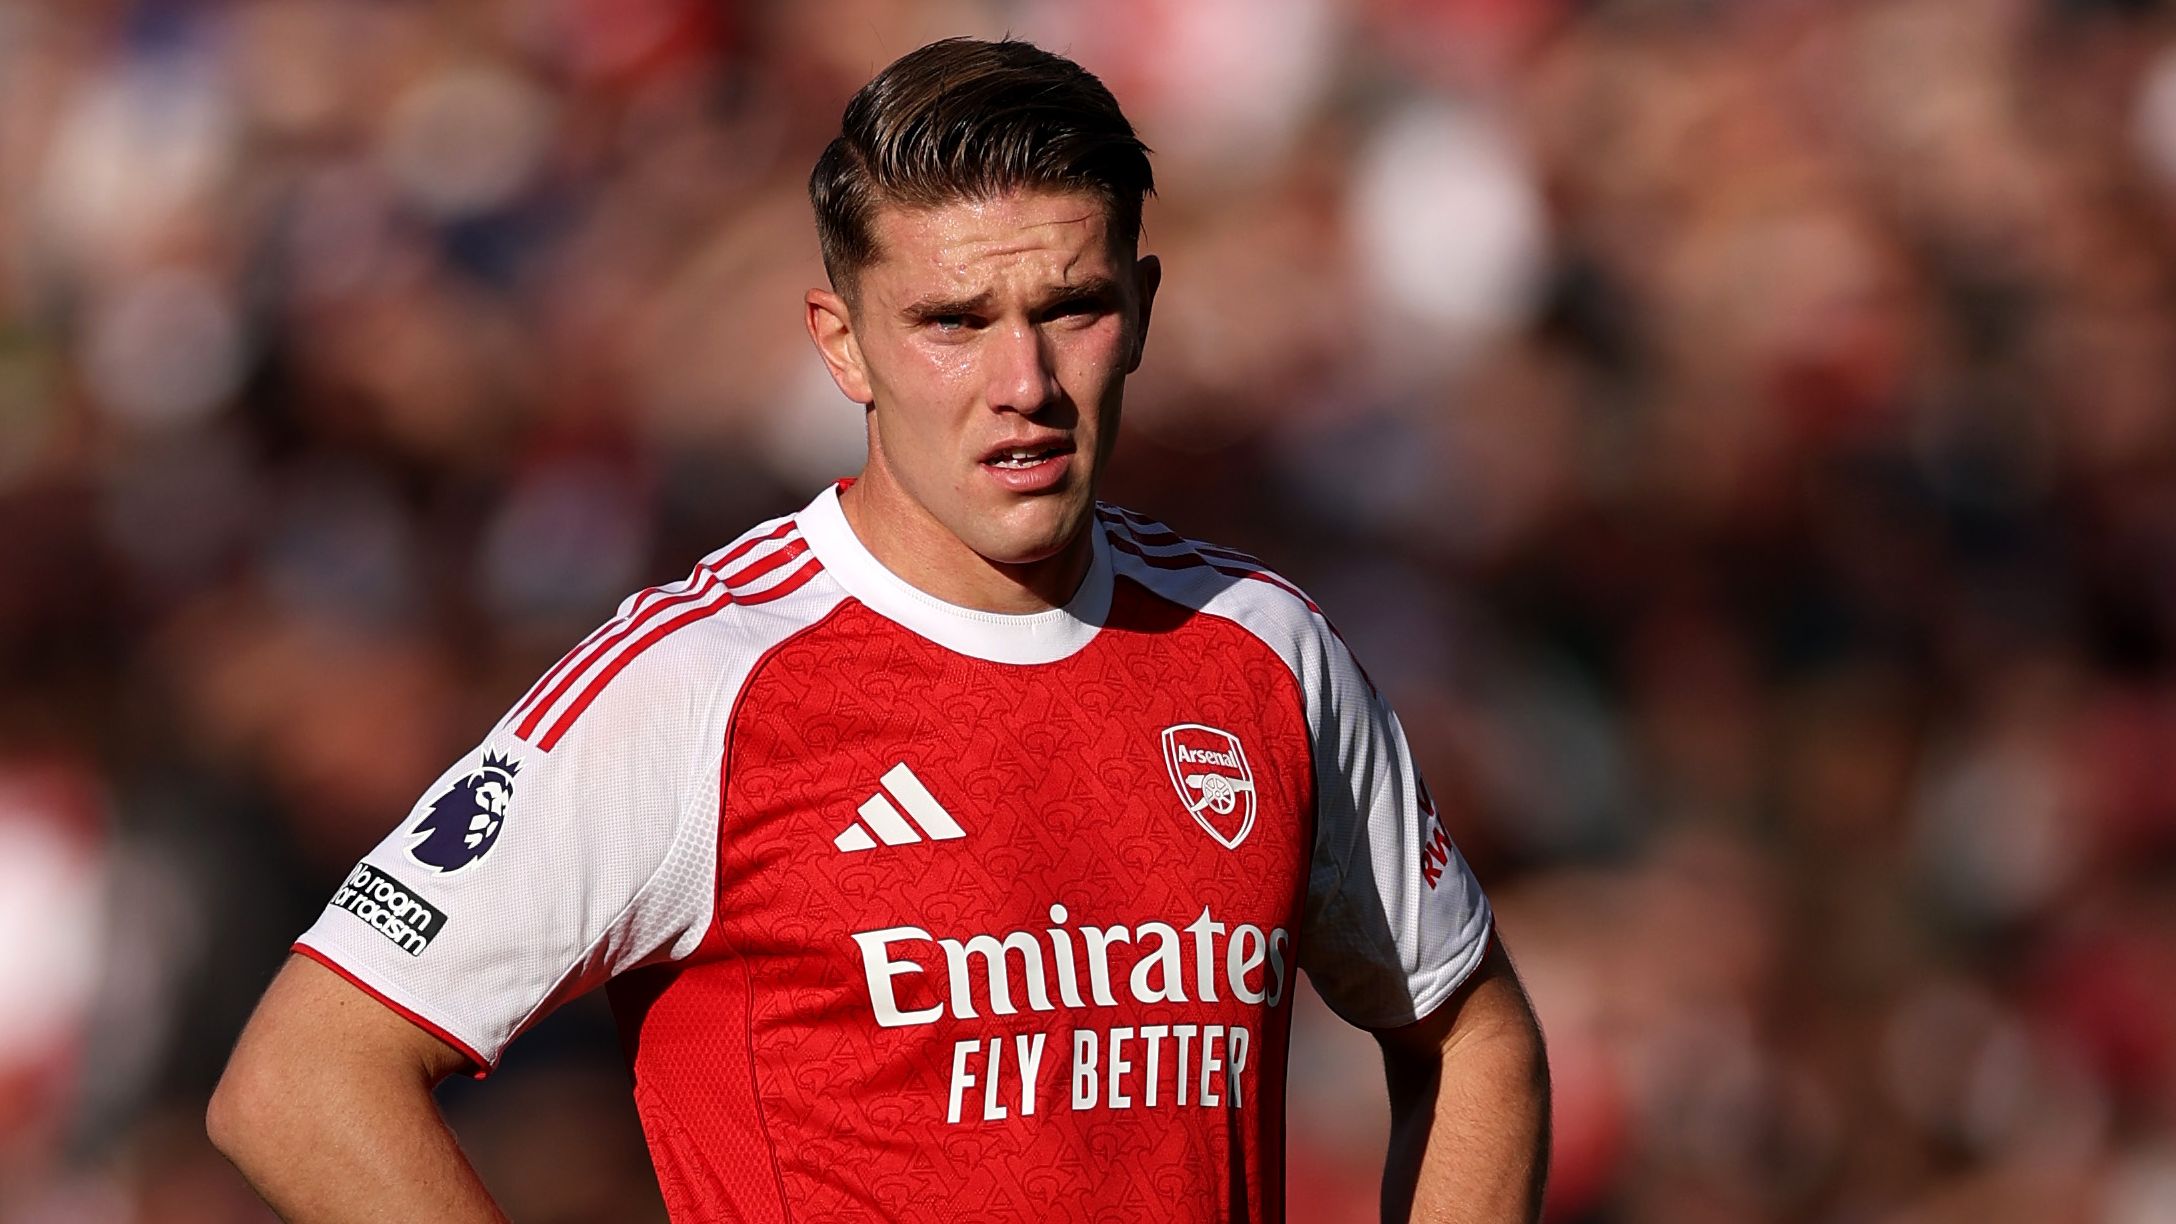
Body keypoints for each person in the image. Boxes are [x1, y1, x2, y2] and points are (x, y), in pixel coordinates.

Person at [208, 36, 1549, 1223]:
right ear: (841, 342)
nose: (1023, 383)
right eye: (952, 322)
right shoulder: (699, 681)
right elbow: (305, 1079)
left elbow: (1470, 1030)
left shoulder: (1260, 647)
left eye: (1070, 310)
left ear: (1141, 308)